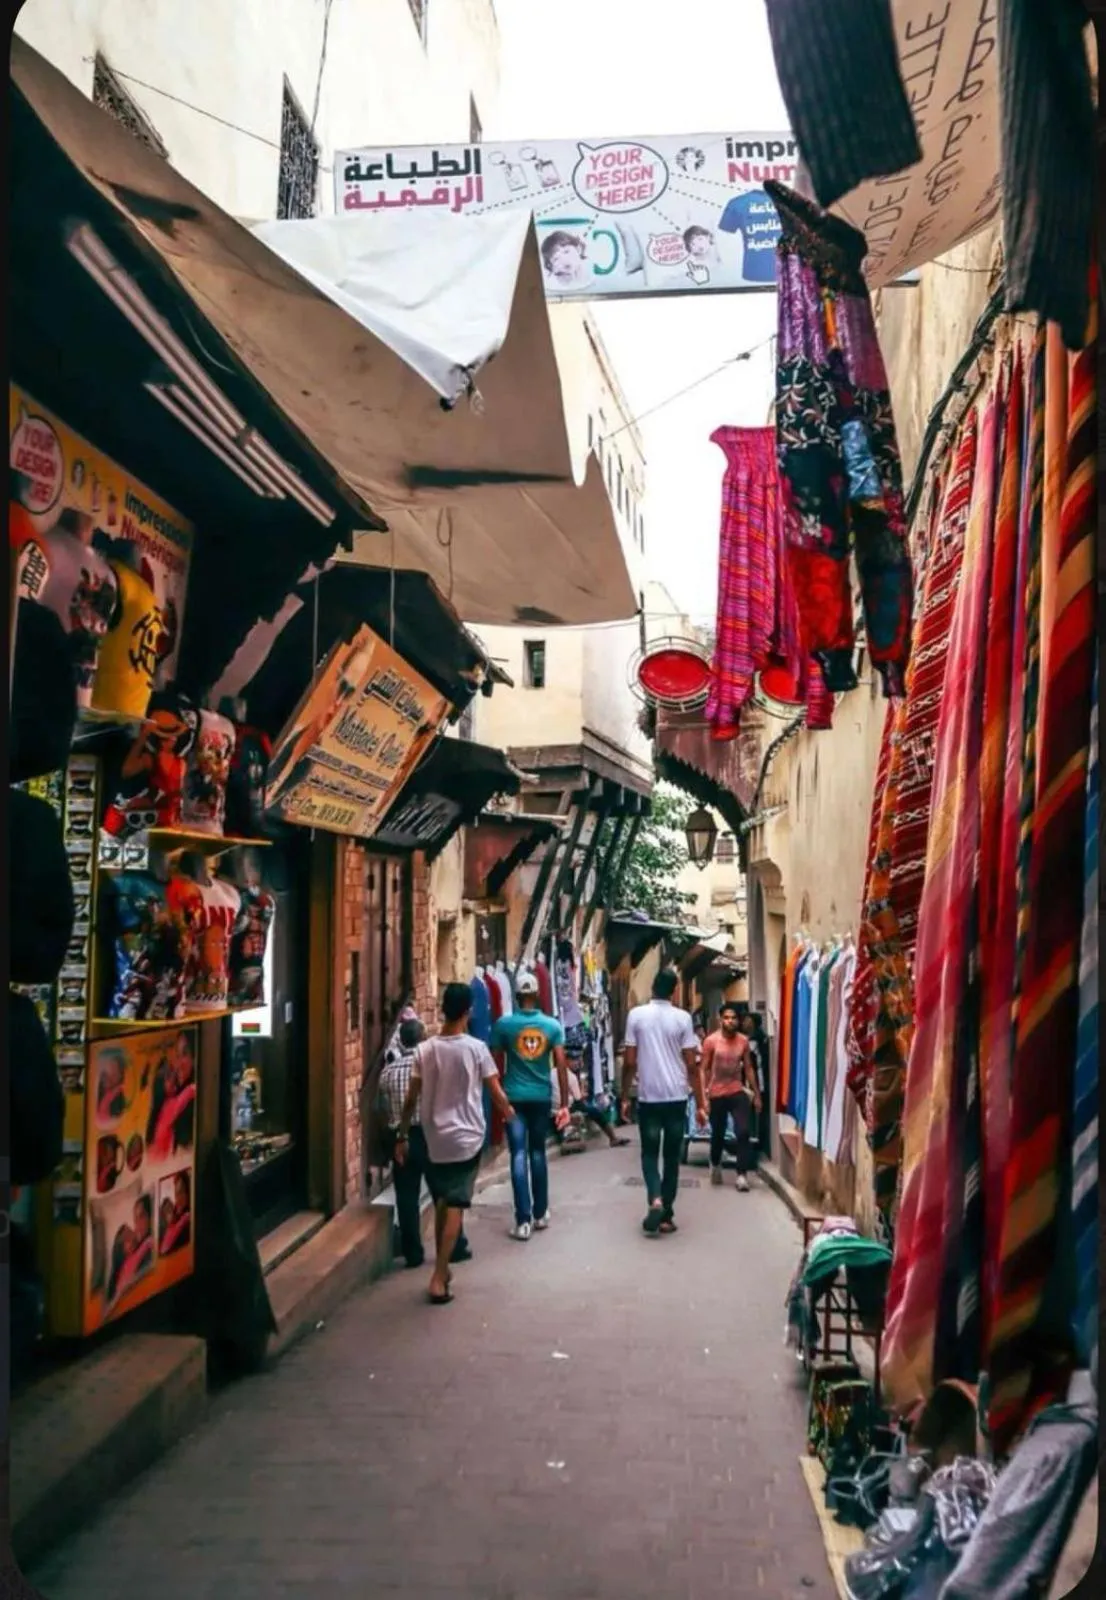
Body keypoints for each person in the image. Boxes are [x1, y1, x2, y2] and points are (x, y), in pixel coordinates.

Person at [396, 984, 513, 1305]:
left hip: (434, 1139)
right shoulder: (476, 1049)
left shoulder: (425, 1049)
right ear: (468, 1011)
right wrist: (509, 1113)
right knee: (456, 1207)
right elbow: (495, 1091)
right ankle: (438, 1275)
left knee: (442, 1203)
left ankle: (443, 1272)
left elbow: (411, 1099)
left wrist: (403, 1133)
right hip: (466, 1140)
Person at [379, 1012, 472, 1270]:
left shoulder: (387, 1073)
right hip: (432, 1135)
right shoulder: (432, 1066)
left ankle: (413, 1253)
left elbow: (383, 1108)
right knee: (444, 1192)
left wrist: (395, 1136)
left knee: (407, 1197)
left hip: (403, 1138)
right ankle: (454, 1246)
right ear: (422, 1040)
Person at [621, 969, 706, 1235]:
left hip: (649, 1098)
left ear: (653, 987)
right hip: (677, 1097)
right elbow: (692, 1065)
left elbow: (630, 1061)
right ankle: (667, 1215)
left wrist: (624, 1095)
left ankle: (655, 1198)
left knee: (649, 1153)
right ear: (674, 990)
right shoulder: (683, 1019)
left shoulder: (636, 1015)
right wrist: (701, 1103)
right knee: (671, 1157)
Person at [490, 971, 570, 1240]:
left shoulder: (504, 1025)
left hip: (513, 1099)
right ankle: (540, 1212)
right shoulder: (552, 1026)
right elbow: (561, 1065)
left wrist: (497, 1095)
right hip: (541, 1097)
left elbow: (493, 1062)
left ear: (516, 995)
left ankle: (522, 1221)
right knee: (538, 1153)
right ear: (536, 995)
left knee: (518, 1155)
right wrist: (565, 1104)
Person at [702, 1002, 762, 1190]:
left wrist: (757, 1094)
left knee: (742, 1132)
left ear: (739, 1020)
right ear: (720, 1020)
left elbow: (749, 1068)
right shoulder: (711, 1041)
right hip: (716, 1092)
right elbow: (703, 1069)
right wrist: (704, 1097)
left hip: (736, 1090)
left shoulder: (743, 1041)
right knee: (718, 1134)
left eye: (734, 1018)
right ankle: (715, 1163)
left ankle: (742, 1175)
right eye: (726, 1018)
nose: (730, 1021)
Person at [553, 1058, 631, 1150]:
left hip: (553, 1107)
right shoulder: (570, 1076)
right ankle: (613, 1138)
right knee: (594, 1111)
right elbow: (578, 1099)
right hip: (567, 1107)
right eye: (573, 1060)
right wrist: (582, 1090)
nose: (575, 1063)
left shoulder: (551, 1073)